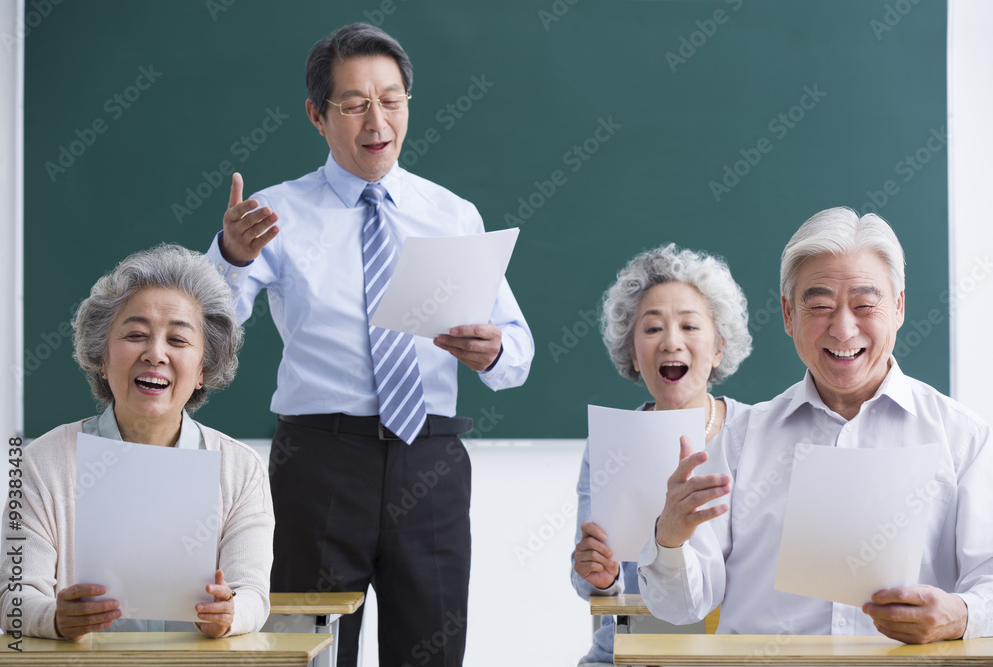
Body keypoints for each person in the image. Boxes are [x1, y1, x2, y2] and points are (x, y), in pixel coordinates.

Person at [203, 22, 533, 667]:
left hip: (430, 463)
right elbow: (208, 330)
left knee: (431, 651)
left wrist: (491, 350)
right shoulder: (275, 215)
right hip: (320, 463)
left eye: (391, 99)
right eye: (354, 104)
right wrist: (229, 258)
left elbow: (517, 353)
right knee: (312, 654)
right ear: (317, 115)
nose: (376, 120)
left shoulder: (452, 215)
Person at [638, 207, 993, 643]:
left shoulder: (965, 439)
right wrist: (669, 540)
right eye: (821, 306)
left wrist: (962, 615)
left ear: (899, 307)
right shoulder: (740, 439)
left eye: (865, 305)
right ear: (788, 315)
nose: (843, 330)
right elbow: (680, 608)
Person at [0, 244, 274, 640]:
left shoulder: (240, 468)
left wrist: (230, 614)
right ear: (103, 359)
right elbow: (14, 599)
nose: (155, 354)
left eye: (177, 340)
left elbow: (253, 596)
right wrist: (55, 619)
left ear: (203, 370)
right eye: (136, 335)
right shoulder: (44, 462)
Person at [571, 244, 752, 665]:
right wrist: (601, 577)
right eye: (652, 330)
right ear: (633, 354)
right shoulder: (610, 443)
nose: (671, 342)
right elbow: (594, 585)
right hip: (629, 649)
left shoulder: (755, 431)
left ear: (719, 347)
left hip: (730, 652)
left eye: (690, 327)